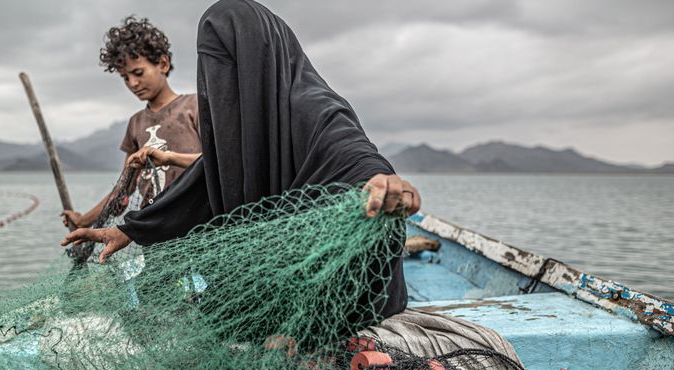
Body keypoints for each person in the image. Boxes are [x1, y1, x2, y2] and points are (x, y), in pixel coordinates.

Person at [63, 0, 421, 320]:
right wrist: (131, 229)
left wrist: (383, 180)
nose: (219, 82)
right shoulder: (236, 123)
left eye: (228, 66)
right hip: (273, 277)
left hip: (331, 288)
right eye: (211, 70)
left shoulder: (313, 107)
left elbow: (354, 155)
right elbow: (206, 179)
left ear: (257, 59)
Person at [61, 16, 202, 231]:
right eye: (125, 78)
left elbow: (218, 163)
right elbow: (124, 190)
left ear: (163, 64)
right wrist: (83, 221)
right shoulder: (136, 123)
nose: (133, 83)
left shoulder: (194, 106)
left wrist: (170, 157)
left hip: (198, 224)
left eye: (138, 73)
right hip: (154, 229)